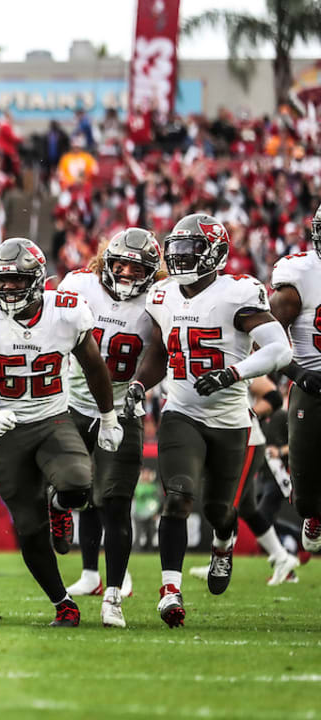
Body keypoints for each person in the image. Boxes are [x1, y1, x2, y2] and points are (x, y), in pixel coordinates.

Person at [124, 214, 291, 628]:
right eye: (176, 251)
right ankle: (170, 590)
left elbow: (280, 349)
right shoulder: (161, 294)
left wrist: (234, 373)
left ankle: (223, 543)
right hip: (181, 412)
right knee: (177, 496)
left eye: (190, 251)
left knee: (220, 510)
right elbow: (160, 353)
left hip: (231, 419)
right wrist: (139, 384)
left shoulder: (237, 292)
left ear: (215, 253)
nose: (181, 260)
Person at [0, 237, 123, 628]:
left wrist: (109, 416)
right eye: (3, 280)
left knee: (78, 485)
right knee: (29, 529)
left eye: (18, 280)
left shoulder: (65, 313)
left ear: (38, 280)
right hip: (7, 428)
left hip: (52, 419)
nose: (9, 287)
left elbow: (95, 367)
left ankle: (59, 505)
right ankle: (62, 602)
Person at [55, 228, 164, 620]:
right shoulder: (79, 285)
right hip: (72, 404)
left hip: (123, 411)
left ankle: (113, 594)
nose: (127, 273)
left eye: (137, 268)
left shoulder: (159, 301)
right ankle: (60, 507)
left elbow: (165, 353)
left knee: (115, 505)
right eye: (120, 264)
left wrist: (141, 387)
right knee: (66, 486)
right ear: (107, 261)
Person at [188, 376, 299, 585]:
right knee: (248, 509)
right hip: (228, 441)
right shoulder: (193, 361)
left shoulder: (238, 358)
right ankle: (282, 557)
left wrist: (247, 416)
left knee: (227, 504)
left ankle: (219, 559)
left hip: (244, 441)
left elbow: (272, 395)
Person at [268, 206, 321, 554]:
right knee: (304, 488)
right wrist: (297, 373)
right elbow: (267, 333)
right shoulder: (301, 274)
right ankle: (313, 514)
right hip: (311, 381)